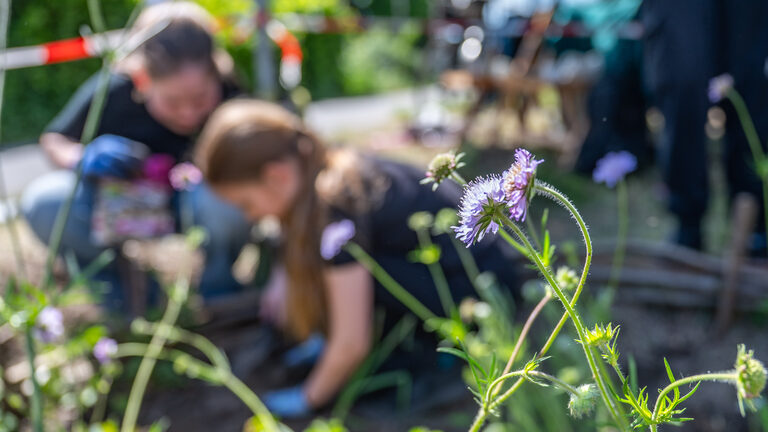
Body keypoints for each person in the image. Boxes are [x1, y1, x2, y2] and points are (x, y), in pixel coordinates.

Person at [194, 99, 520, 417]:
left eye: (247, 204)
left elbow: (352, 343)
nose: (249, 216)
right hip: (453, 275)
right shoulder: (324, 167)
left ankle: (435, 362)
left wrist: (308, 399)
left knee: (350, 266)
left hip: (481, 294)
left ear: (276, 175)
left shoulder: (337, 207)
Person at [20, 2, 250, 309]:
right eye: (172, 101)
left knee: (227, 199)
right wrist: (82, 157)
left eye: (200, 99)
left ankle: (220, 292)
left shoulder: (231, 93)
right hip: (118, 205)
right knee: (45, 203)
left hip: (192, 206)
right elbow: (55, 139)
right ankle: (127, 298)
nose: (188, 113)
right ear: (143, 81)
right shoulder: (114, 89)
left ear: (215, 73)